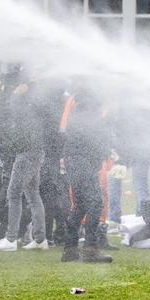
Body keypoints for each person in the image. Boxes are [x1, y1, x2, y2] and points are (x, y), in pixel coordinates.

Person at [0, 75, 49, 252]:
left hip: (26, 153)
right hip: (36, 151)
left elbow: (14, 112)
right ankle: (40, 240)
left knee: (13, 194)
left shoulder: (25, 101)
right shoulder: (38, 100)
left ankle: (11, 239)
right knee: (33, 195)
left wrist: (16, 96)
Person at [60, 88, 113, 263]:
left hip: (75, 162)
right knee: (95, 203)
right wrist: (104, 152)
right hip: (81, 163)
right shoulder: (90, 114)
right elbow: (94, 141)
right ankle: (90, 250)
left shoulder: (79, 113)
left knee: (80, 205)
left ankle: (70, 249)